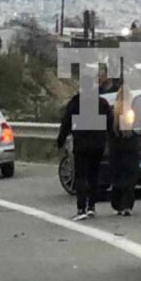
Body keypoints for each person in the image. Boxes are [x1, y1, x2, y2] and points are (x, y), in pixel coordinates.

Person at [57, 71, 112, 221]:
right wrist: (109, 138)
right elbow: (110, 123)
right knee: (94, 175)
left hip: (82, 144)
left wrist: (60, 140)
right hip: (98, 145)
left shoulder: (76, 102)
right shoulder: (101, 103)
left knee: (81, 176)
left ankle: (81, 208)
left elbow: (66, 122)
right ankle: (91, 207)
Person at [108, 85, 140, 216]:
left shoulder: (113, 112)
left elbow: (109, 131)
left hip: (116, 148)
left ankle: (117, 205)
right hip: (130, 147)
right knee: (129, 177)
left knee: (117, 176)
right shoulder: (133, 111)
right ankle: (127, 205)